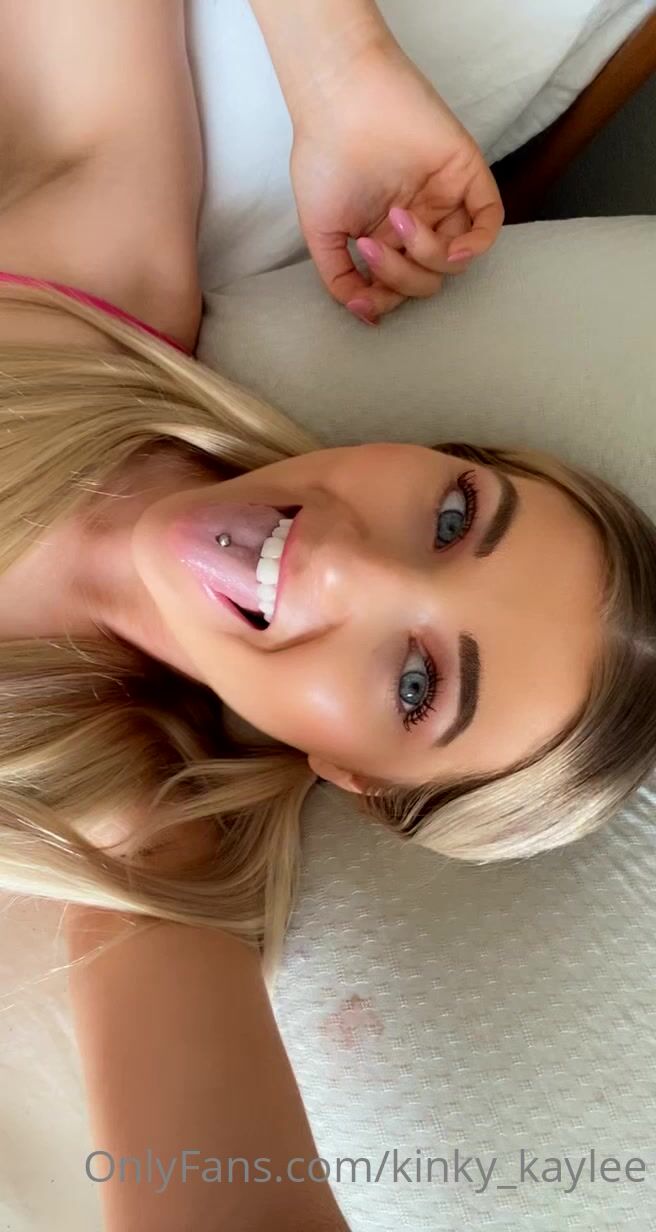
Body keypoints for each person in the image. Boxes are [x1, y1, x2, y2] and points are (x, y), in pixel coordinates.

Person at [0, 3, 654, 1231]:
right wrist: (341, 74)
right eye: (451, 516)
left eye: (416, 685)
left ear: (351, 776)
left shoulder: (142, 831)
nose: (342, 565)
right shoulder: (99, 282)